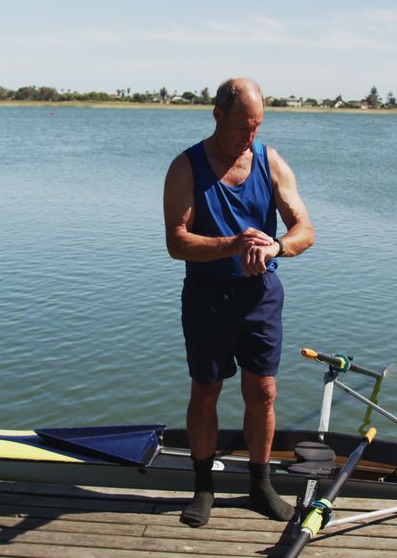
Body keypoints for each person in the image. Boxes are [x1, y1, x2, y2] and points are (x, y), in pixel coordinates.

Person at [162, 77, 315, 527]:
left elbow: (305, 230)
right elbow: (177, 243)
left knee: (263, 392)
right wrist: (233, 244)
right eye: (241, 128)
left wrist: (275, 248)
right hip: (208, 296)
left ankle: (260, 485)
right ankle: (203, 488)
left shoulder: (270, 162)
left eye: (256, 126)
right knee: (206, 390)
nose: (249, 136)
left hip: (260, 295)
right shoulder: (186, 167)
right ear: (217, 115)